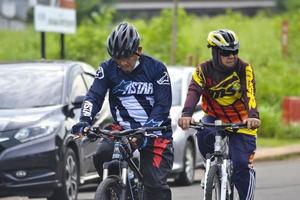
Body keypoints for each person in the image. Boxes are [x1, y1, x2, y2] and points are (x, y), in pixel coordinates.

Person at [72, 22, 173, 200]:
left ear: (138, 50)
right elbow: (94, 96)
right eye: (117, 58)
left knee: (155, 187)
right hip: (123, 130)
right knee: (102, 153)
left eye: (126, 57)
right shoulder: (107, 68)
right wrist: (84, 121)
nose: (122, 62)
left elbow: (163, 106)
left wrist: (145, 132)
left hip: (155, 133)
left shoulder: (157, 69)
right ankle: (115, 188)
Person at [178, 29, 261, 200]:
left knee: (241, 165)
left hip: (243, 121)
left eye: (235, 51)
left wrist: (253, 116)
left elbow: (249, 93)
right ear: (215, 52)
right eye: (226, 52)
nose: (231, 56)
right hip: (214, 119)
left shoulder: (244, 69)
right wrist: (186, 114)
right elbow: (194, 91)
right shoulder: (203, 70)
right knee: (201, 133)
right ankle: (211, 168)